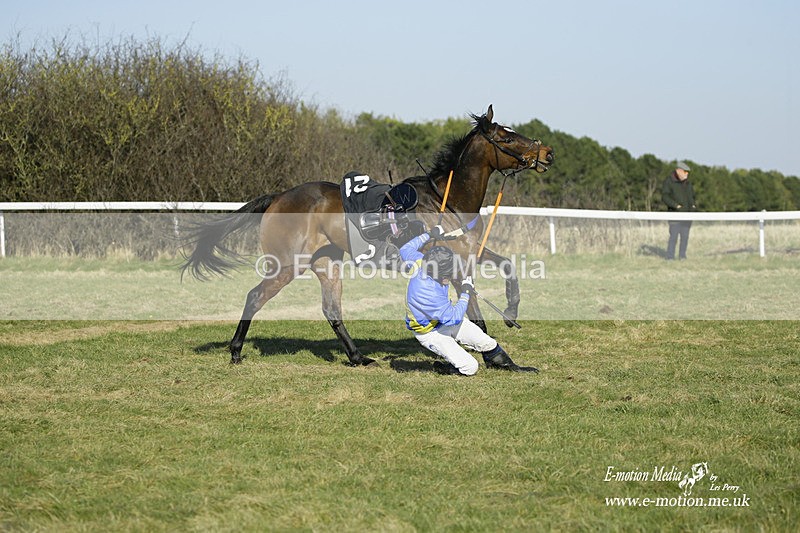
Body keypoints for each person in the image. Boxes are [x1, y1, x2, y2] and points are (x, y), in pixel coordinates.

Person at [399, 225, 537, 375]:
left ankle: (506, 366)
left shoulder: (420, 261)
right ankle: (441, 368)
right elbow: (454, 317)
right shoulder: (427, 293)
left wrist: (429, 234)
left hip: (444, 320)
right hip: (431, 332)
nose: (451, 276)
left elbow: (405, 249)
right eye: (448, 273)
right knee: (470, 367)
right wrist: (465, 293)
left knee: (488, 343)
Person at [661, 161, 697, 260]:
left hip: (687, 217)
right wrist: (676, 206)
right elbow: (665, 197)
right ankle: (670, 257)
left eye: (688, 172)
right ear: (679, 171)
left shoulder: (688, 183)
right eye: (685, 172)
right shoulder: (669, 181)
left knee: (685, 237)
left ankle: (682, 256)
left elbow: (692, 197)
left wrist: (693, 207)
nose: (687, 174)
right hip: (674, 217)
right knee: (673, 237)